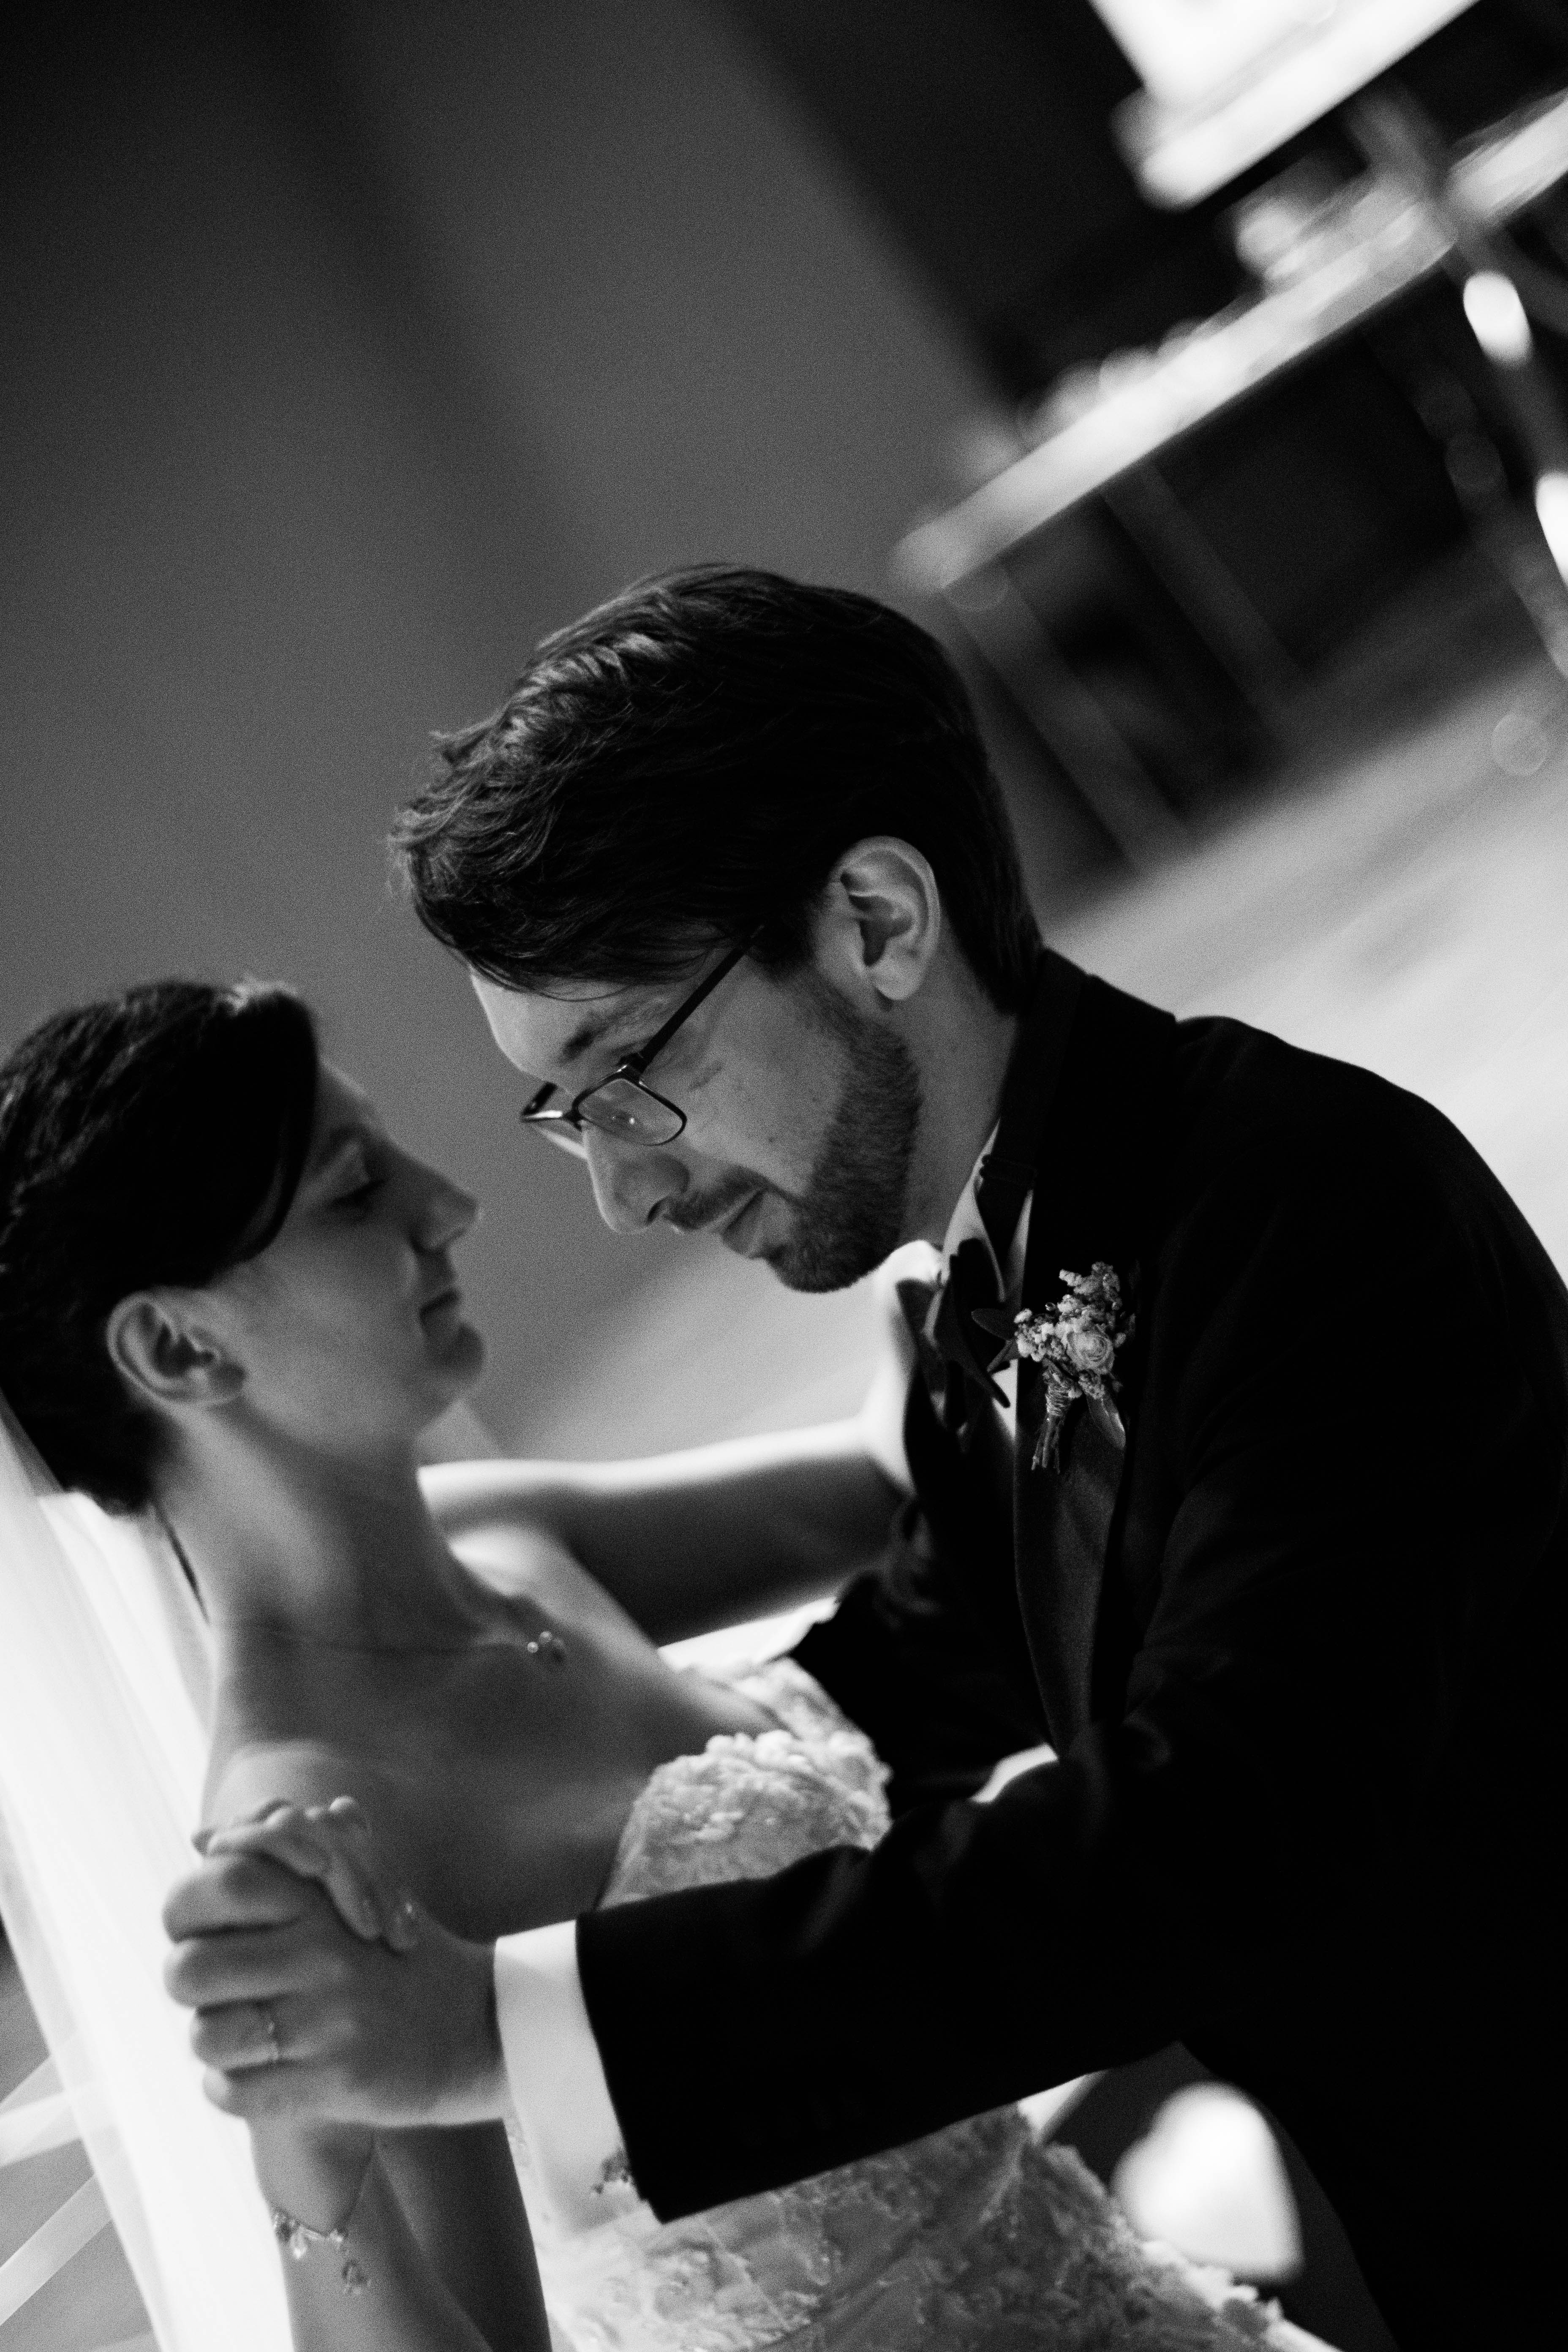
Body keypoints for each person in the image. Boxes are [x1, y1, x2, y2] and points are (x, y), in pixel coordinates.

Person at [162, 565, 1567, 2349]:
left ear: (876, 923)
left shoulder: (1309, 1206)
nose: (623, 1189)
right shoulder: (1000, 1279)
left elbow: (1213, 1832)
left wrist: (504, 2031)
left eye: (628, 1074)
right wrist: (532, 1794)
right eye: (569, 1117)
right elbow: (919, 1653)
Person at [0, 975, 1292, 2351]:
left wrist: (923, 1168)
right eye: (355, 1190)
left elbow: (900, 1482)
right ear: (177, 1345)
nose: (452, 1204)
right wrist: (319, 2189)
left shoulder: (502, 1536)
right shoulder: (320, 1826)